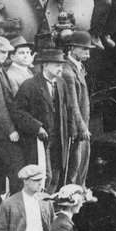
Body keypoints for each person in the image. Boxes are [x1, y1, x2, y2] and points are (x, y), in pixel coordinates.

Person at [11, 47, 73, 182]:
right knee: (45, 175)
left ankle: (50, 196)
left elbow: (68, 108)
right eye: (57, 65)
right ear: (45, 65)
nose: (60, 69)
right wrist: (37, 127)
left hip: (58, 137)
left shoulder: (61, 83)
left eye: (61, 65)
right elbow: (17, 112)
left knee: (56, 174)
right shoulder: (30, 85)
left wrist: (71, 130)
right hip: (39, 140)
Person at [61, 31, 94, 186]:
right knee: (74, 166)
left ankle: (80, 192)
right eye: (84, 49)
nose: (88, 53)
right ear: (72, 48)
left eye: (88, 50)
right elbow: (72, 104)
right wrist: (82, 128)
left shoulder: (79, 67)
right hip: (76, 127)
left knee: (82, 163)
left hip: (82, 124)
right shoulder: (68, 72)